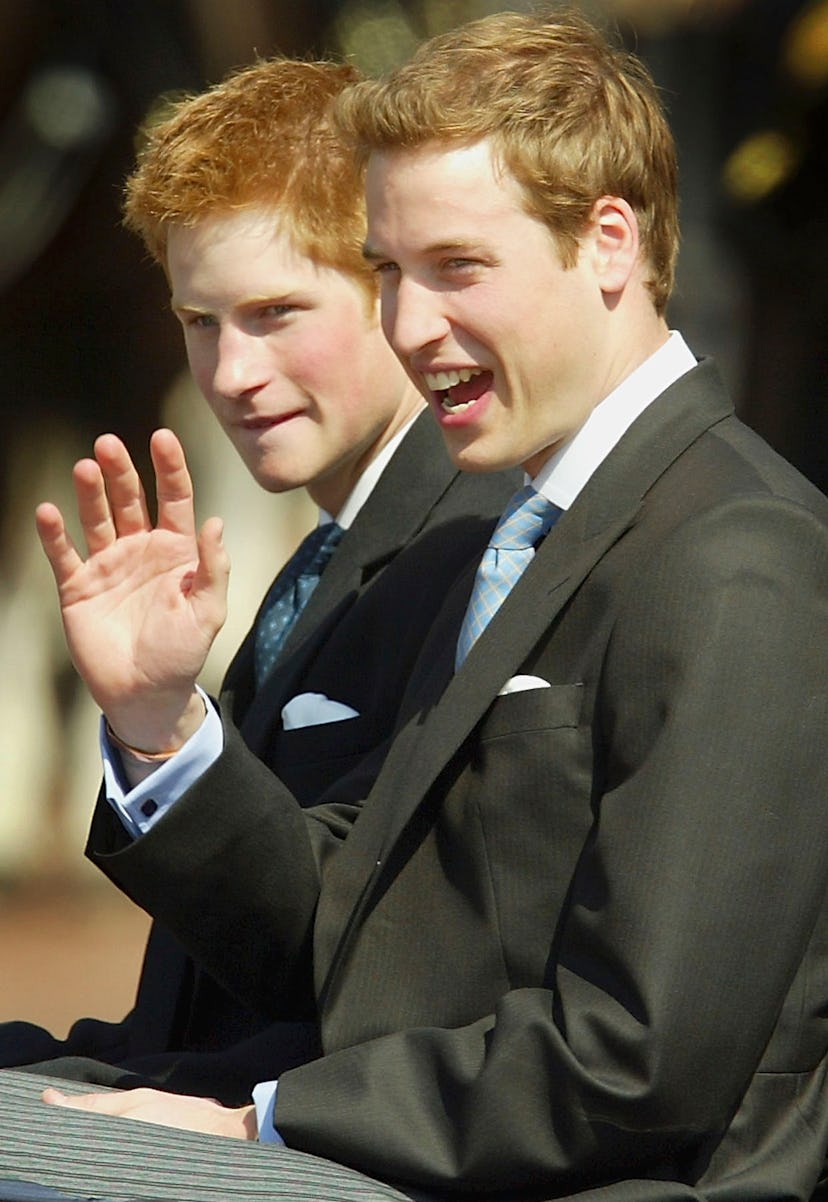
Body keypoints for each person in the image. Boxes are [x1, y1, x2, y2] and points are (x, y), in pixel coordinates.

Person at [1, 7, 827, 1202]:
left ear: (609, 242)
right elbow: (357, 930)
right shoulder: (552, 528)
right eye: (391, 271)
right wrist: (160, 726)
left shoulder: (740, 556)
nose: (413, 323)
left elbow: (640, 1063)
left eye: (459, 267)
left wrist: (263, 1121)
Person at [0, 58, 516, 1106]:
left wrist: (166, 732)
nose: (231, 373)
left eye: (277, 312)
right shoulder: (348, 541)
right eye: (201, 320)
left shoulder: (482, 547)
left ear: (396, 287)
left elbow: (365, 976)